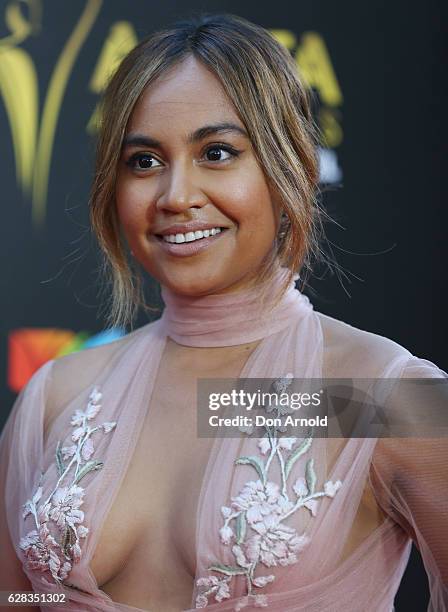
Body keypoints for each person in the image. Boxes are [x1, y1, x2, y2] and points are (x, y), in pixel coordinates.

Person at [0, 13, 446, 612]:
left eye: (216, 152)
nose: (176, 195)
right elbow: (16, 599)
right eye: (144, 161)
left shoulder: (379, 396)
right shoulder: (58, 393)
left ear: (290, 168)